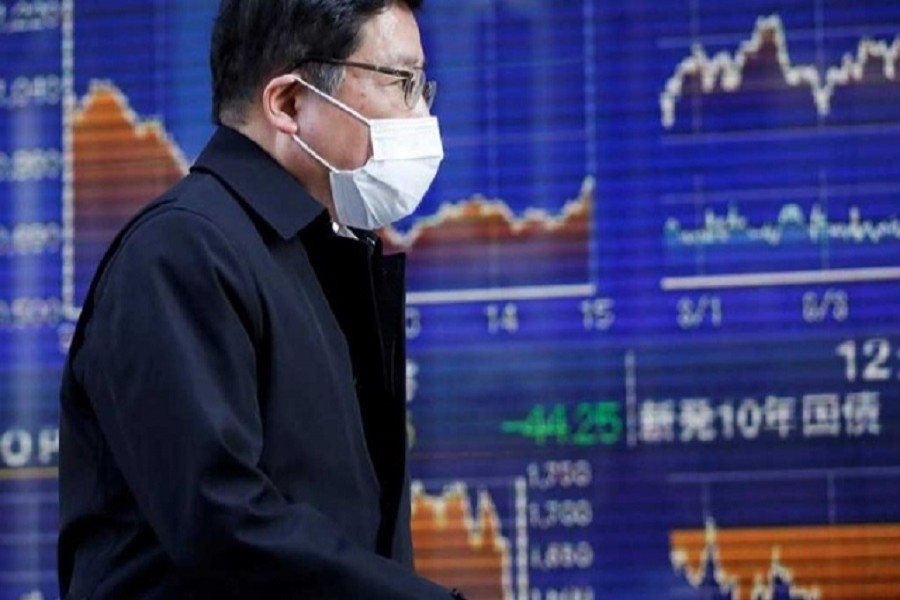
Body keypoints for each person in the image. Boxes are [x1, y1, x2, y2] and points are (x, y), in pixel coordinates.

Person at [57, 1, 466, 597]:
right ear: (289, 104)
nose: (421, 114)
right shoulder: (182, 251)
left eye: (422, 86)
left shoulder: (319, 252)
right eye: (400, 83)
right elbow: (221, 520)